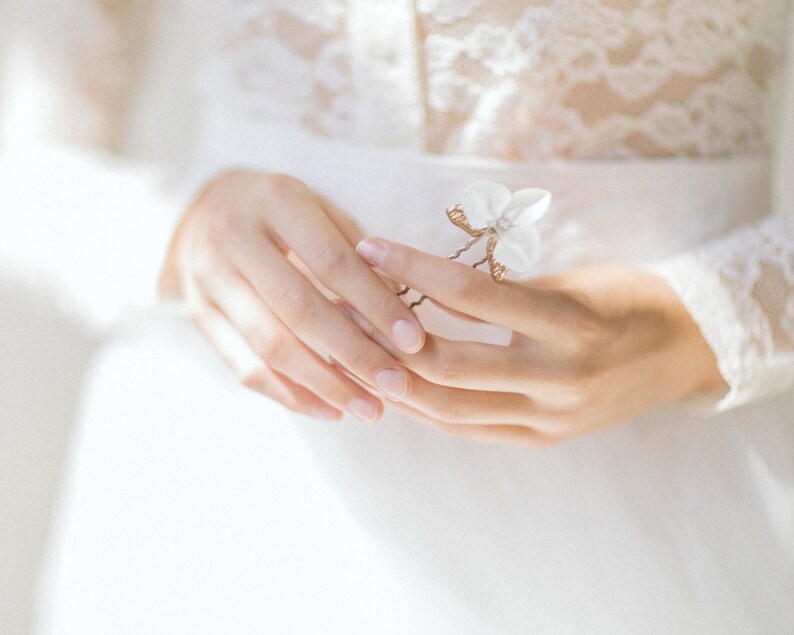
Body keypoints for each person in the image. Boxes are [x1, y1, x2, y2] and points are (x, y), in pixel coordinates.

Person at [9, 0, 793, 631]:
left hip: (660, 506)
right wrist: (179, 230)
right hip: (221, 511)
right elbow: (24, 170)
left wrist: (705, 320)